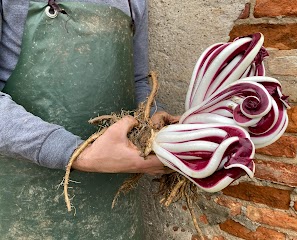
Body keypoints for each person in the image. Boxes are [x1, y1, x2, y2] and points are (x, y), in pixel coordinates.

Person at [0, 0, 177, 239]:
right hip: (23, 205)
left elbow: (136, 82)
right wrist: (79, 154)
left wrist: (152, 117)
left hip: (114, 208)